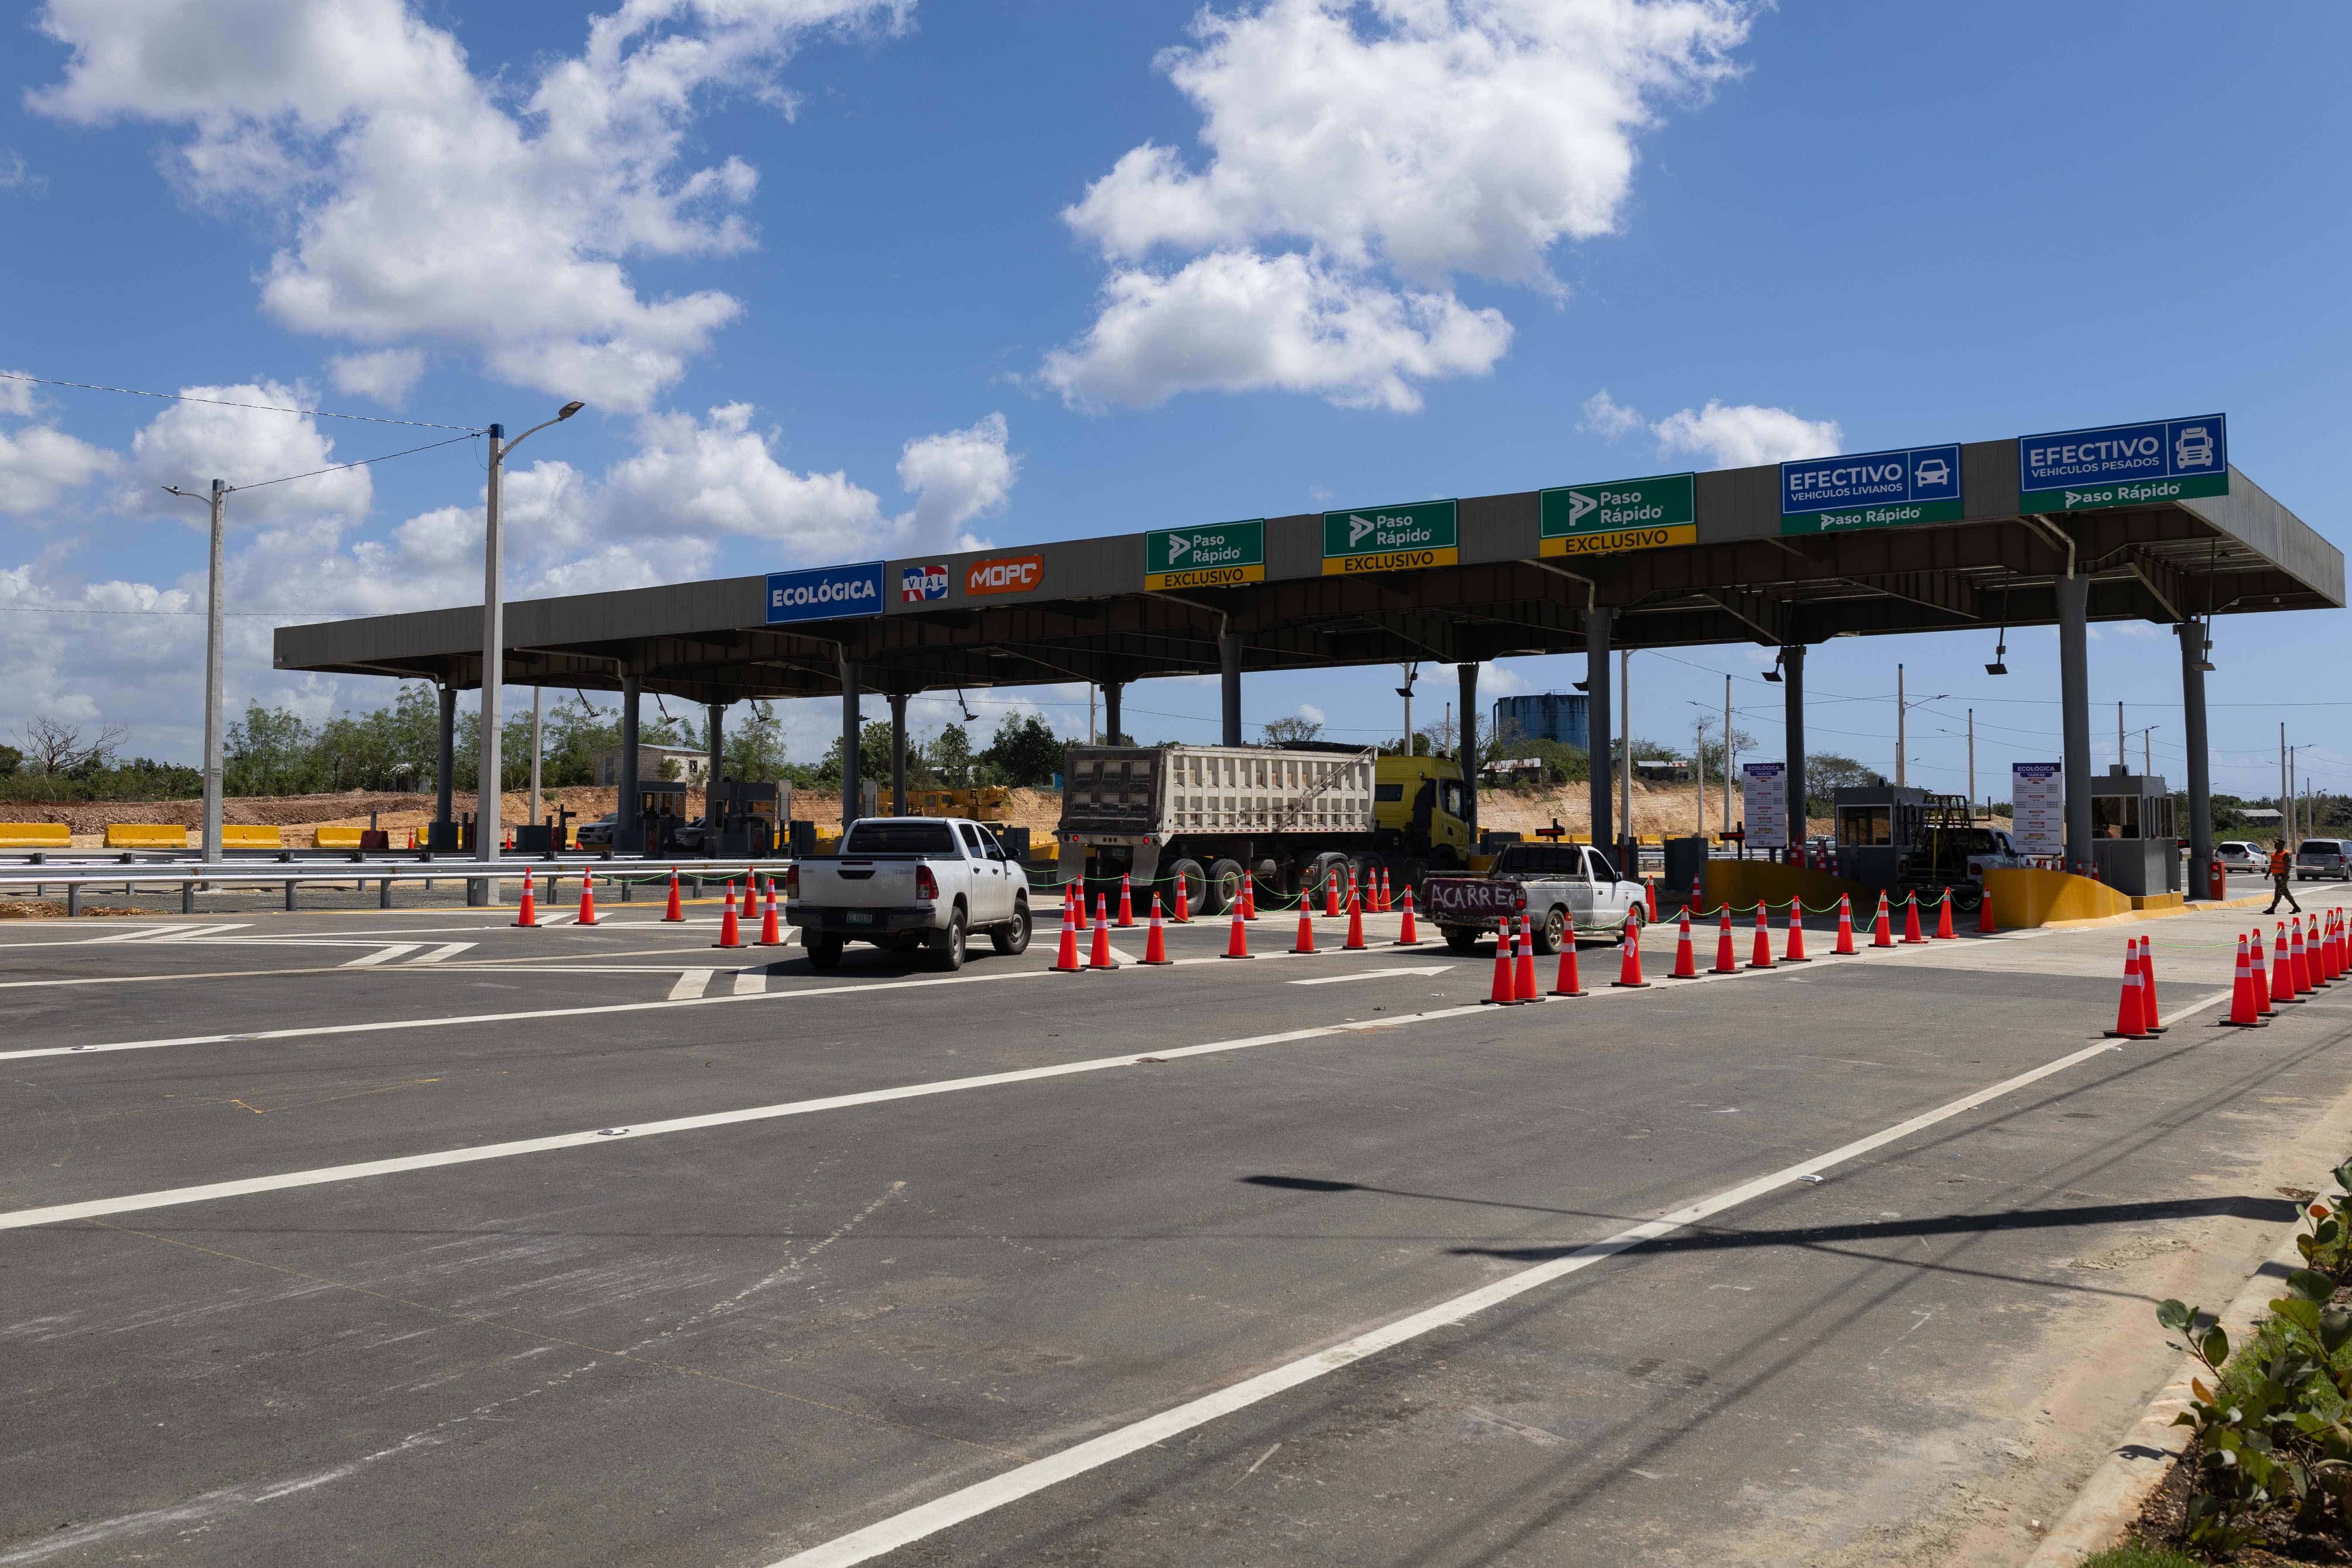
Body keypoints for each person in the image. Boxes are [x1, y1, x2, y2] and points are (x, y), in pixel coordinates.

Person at [2267, 838, 2301, 913]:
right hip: (2277, 876)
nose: (2275, 845)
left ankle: (2272, 908)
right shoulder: (2275, 853)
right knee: (2285, 892)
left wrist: (2284, 875)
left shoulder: (2286, 854)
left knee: (2278, 892)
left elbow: (2288, 865)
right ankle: (2296, 907)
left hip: (2282, 876)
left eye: (2277, 844)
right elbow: (2272, 865)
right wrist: (2268, 874)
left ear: (2282, 845)